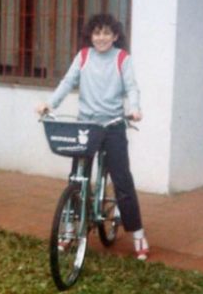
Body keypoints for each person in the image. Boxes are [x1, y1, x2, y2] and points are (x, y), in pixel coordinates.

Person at [36, 14, 149, 260]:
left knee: (122, 179)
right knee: (76, 178)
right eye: (97, 33)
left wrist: (135, 108)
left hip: (113, 125)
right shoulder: (84, 56)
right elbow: (68, 82)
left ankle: (138, 233)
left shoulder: (122, 58)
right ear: (91, 35)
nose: (101, 38)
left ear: (115, 36)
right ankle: (69, 229)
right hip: (86, 126)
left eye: (107, 33)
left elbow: (131, 87)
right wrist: (49, 104)